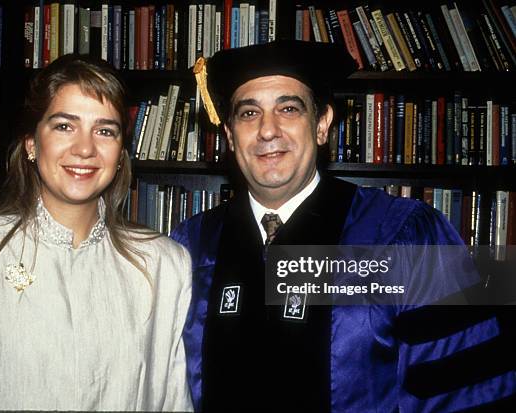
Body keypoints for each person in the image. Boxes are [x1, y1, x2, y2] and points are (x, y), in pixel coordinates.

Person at [171, 40, 516, 412]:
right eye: (249, 113)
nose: (268, 130)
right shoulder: (191, 246)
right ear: (229, 137)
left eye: (289, 109)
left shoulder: (401, 235)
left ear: (321, 125)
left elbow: (462, 393)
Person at [0, 54, 193, 411]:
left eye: (105, 131)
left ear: (120, 154)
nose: (85, 148)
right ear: (31, 143)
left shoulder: (164, 264)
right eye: (64, 126)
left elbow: (172, 401)